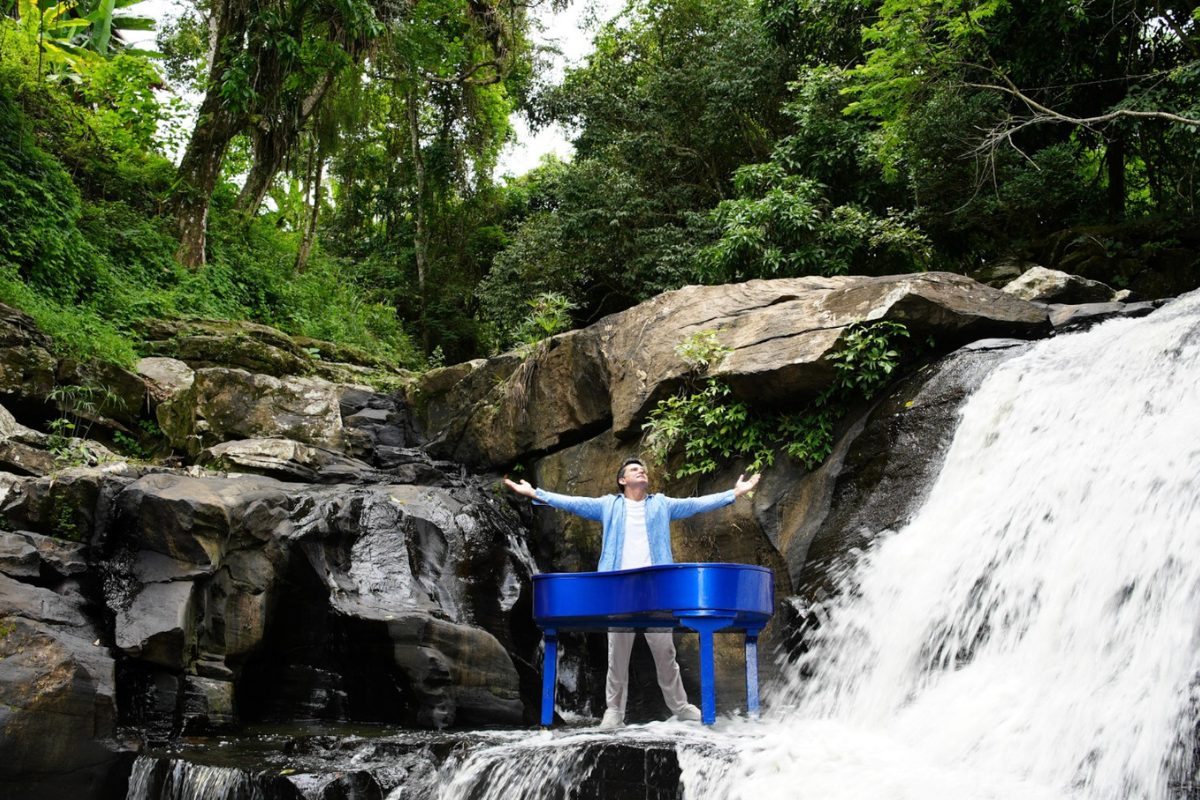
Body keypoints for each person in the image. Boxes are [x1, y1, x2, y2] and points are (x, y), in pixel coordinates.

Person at [504, 458, 760, 729]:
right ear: (622, 481)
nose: (642, 471)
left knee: (666, 654)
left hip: (656, 589)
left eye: (644, 469)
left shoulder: (661, 504)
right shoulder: (608, 505)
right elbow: (574, 502)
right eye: (635, 469)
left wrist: (734, 493)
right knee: (617, 655)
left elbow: (695, 505)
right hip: (619, 589)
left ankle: (681, 707)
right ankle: (614, 711)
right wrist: (535, 494)